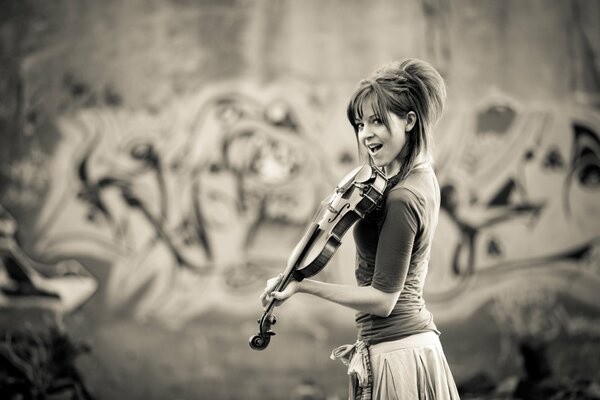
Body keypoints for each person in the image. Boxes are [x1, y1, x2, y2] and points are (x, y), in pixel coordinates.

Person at [260, 58, 460, 399]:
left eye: (377, 121)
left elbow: (383, 300)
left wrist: (304, 286)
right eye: (359, 123)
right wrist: (293, 270)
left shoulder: (403, 197)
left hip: (398, 355)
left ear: (410, 120)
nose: (365, 134)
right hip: (402, 347)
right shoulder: (419, 175)